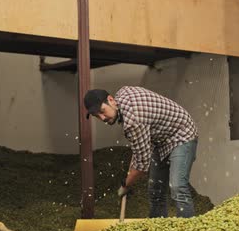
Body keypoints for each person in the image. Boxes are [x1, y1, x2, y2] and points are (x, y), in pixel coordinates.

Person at [84, 86, 198, 218]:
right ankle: (157, 229)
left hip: (182, 135)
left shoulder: (133, 121)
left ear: (111, 100)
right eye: (97, 116)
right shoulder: (122, 93)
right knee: (155, 190)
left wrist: (126, 184)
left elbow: (142, 166)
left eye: (102, 111)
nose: (102, 118)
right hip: (160, 141)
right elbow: (141, 148)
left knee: (177, 187)